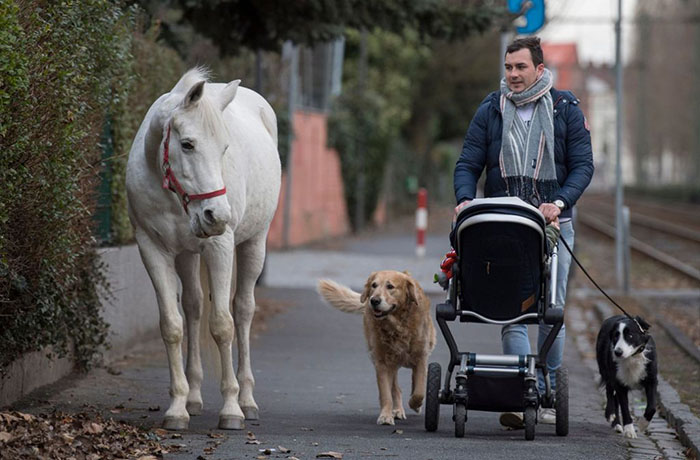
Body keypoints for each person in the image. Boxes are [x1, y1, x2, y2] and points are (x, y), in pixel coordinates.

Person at [453, 36, 594, 427]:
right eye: (508, 67)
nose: (513, 75)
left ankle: (547, 390)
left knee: (551, 307)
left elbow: (583, 165)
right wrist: (465, 198)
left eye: (521, 68)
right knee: (512, 308)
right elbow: (468, 163)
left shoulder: (565, 108)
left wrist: (560, 201)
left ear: (539, 69)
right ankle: (519, 394)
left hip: (554, 225)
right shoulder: (490, 109)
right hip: (506, 225)